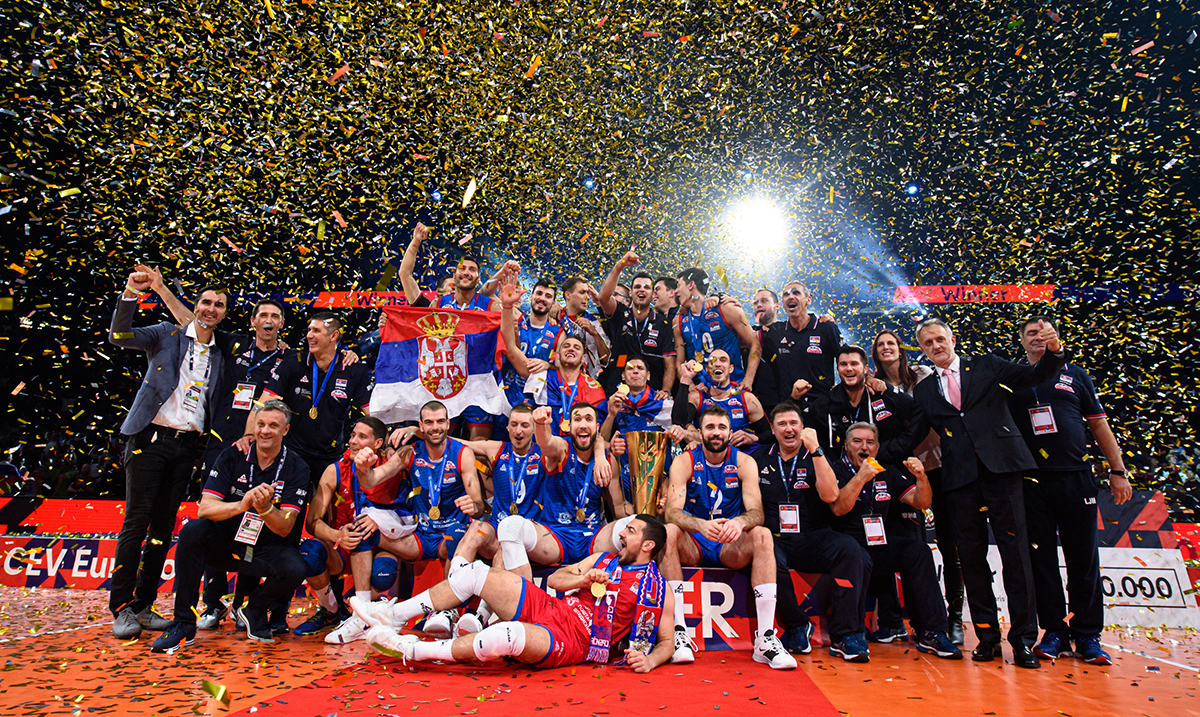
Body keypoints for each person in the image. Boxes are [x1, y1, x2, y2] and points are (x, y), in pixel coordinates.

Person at [908, 317, 1068, 668]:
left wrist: (1054, 351)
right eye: (928, 343)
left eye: (940, 339)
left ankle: (1023, 640)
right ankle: (987, 637)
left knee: (1017, 556)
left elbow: (1035, 375)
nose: (936, 346)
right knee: (971, 559)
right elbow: (913, 434)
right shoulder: (924, 390)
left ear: (952, 339)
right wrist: (875, 456)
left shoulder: (986, 365)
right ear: (922, 349)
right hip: (960, 480)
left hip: (1004, 471)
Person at [351, 516, 675, 673]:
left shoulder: (658, 589)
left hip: (575, 641)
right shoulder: (604, 559)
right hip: (552, 606)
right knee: (475, 574)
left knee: (504, 636)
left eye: (631, 531)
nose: (622, 533)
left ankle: (412, 650)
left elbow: (666, 642)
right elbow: (558, 579)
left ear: (648, 545)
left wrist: (649, 660)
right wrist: (583, 579)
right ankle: (393, 616)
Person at [107, 269, 233, 639]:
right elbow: (119, 336)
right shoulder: (166, 333)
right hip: (149, 438)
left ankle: (143, 605)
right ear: (195, 306)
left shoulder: (222, 351)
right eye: (206, 302)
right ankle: (121, 607)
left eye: (219, 305)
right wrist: (131, 293)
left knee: (163, 528)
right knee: (137, 522)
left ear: (225, 313)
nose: (211, 308)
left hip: (187, 445)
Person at [1008, 315, 1132, 665]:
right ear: (1022, 341)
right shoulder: (1013, 378)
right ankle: (1054, 631)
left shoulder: (1075, 375)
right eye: (1031, 333)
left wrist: (1118, 471)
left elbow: (1099, 424)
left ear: (1056, 337)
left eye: (1044, 331)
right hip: (1031, 481)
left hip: (1075, 477)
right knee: (1042, 560)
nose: (1038, 337)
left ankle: (1088, 634)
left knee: (1083, 558)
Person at [149, 401, 310, 652]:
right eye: (261, 424)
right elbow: (205, 509)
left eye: (273, 425)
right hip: (227, 542)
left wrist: (265, 508)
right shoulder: (232, 455)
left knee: (296, 568)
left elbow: (285, 527)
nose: (265, 431)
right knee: (192, 531)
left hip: (265, 547)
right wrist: (242, 505)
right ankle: (183, 623)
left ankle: (254, 608)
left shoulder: (297, 467)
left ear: (285, 430)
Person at [661, 405, 796, 670]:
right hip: (695, 542)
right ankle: (679, 633)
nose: (716, 432)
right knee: (669, 531)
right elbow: (672, 512)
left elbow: (757, 513)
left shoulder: (744, 462)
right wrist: (699, 525)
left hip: (729, 544)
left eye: (722, 427)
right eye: (710, 427)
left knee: (762, 535)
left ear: (730, 432)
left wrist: (739, 522)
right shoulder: (684, 461)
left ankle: (765, 639)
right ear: (700, 433)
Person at [345, 401, 485, 642]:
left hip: (449, 538)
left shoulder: (462, 454)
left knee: (457, 533)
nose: (435, 427)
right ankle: (362, 615)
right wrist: (364, 469)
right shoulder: (409, 453)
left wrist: (474, 506)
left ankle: (446, 610)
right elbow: (372, 480)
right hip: (420, 536)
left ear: (448, 425)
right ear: (420, 426)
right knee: (361, 530)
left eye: (440, 422)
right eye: (429, 422)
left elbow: (479, 505)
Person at [828, 423, 961, 659]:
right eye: (857, 441)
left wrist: (921, 478)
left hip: (878, 544)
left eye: (870, 442)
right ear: (846, 446)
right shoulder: (835, 470)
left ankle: (932, 632)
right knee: (855, 554)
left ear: (877, 448)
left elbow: (921, 502)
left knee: (919, 551)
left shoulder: (886, 472)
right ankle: (848, 636)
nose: (864, 447)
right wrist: (861, 477)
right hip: (847, 547)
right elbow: (839, 508)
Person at [752, 403, 872, 661]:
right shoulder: (759, 459)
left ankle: (845, 635)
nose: (788, 429)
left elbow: (830, 496)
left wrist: (816, 450)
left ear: (803, 427)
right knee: (767, 555)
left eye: (793, 423)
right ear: (772, 430)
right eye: (782, 424)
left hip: (812, 535)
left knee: (851, 550)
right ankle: (797, 624)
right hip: (776, 538)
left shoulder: (816, 455)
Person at [871, 329, 963, 645]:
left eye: (891, 343)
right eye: (880, 345)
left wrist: (891, 393)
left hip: (938, 466)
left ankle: (953, 617)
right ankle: (902, 620)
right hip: (901, 471)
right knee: (899, 544)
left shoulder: (923, 375)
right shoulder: (872, 386)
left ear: (901, 349)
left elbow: (922, 414)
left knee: (950, 545)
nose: (886, 348)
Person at [293, 417, 408, 639]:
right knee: (308, 554)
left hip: (381, 546)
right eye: (353, 435)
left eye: (362, 437)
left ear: (378, 443)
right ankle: (331, 611)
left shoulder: (393, 467)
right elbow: (312, 521)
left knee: (383, 574)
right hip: (344, 547)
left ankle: (366, 613)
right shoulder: (335, 470)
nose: (353, 441)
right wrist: (338, 535)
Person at [443, 402, 548, 635]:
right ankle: (447, 604)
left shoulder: (544, 453)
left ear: (534, 429)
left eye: (524, 425)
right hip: (496, 527)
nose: (518, 431)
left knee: (505, 547)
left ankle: (481, 614)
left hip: (528, 536)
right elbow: (457, 443)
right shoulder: (497, 449)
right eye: (514, 425)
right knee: (475, 529)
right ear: (507, 428)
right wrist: (417, 432)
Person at [492, 403, 623, 584]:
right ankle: (528, 598)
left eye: (588, 419)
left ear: (597, 427)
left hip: (594, 537)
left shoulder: (608, 460)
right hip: (554, 537)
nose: (583, 424)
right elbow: (546, 443)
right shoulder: (562, 449)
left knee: (641, 525)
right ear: (569, 426)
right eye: (577, 419)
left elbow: (619, 510)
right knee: (509, 527)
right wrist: (541, 424)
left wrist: (648, 509)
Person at [805, 346, 915, 462]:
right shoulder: (824, 404)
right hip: (843, 471)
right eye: (843, 364)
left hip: (886, 468)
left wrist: (895, 448)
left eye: (854, 364)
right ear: (837, 369)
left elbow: (918, 415)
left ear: (865, 368)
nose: (849, 368)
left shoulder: (884, 393)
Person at [600, 356, 674, 515]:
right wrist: (611, 414)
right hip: (624, 475)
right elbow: (602, 441)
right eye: (630, 368)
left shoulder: (662, 403)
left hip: (657, 475)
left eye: (640, 368)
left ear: (648, 375)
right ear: (623, 376)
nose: (635, 371)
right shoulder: (614, 402)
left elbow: (676, 436)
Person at [596, 250, 677, 395]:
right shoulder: (620, 314)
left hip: (652, 395)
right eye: (637, 287)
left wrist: (666, 390)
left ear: (653, 294)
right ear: (631, 293)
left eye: (647, 287)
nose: (642, 290)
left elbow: (669, 363)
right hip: (618, 392)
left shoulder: (663, 324)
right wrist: (619, 266)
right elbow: (603, 298)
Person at [673, 268, 760, 390]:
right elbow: (679, 363)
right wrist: (691, 387)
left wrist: (748, 380)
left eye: (679, 285)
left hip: (731, 389)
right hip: (701, 391)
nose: (676, 291)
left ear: (691, 285)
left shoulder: (726, 308)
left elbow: (755, 343)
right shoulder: (678, 321)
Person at [759, 282, 841, 411]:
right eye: (786, 295)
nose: (790, 297)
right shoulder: (776, 331)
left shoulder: (826, 328)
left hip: (822, 409)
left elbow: (848, 357)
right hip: (788, 410)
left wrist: (867, 379)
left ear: (808, 300)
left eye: (796, 293)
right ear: (782, 304)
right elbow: (749, 338)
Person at [672, 350, 771, 448]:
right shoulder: (698, 397)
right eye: (712, 361)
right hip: (708, 455)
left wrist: (754, 438)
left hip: (742, 454)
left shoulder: (746, 398)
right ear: (706, 369)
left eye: (723, 360)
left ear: (731, 368)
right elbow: (679, 421)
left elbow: (770, 435)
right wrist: (686, 378)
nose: (717, 364)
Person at [558, 276, 611, 379]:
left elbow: (607, 360)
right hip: (559, 380)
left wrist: (595, 334)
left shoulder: (594, 321)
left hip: (588, 382)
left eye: (587, 293)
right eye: (582, 292)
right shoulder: (556, 318)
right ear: (568, 295)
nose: (587, 297)